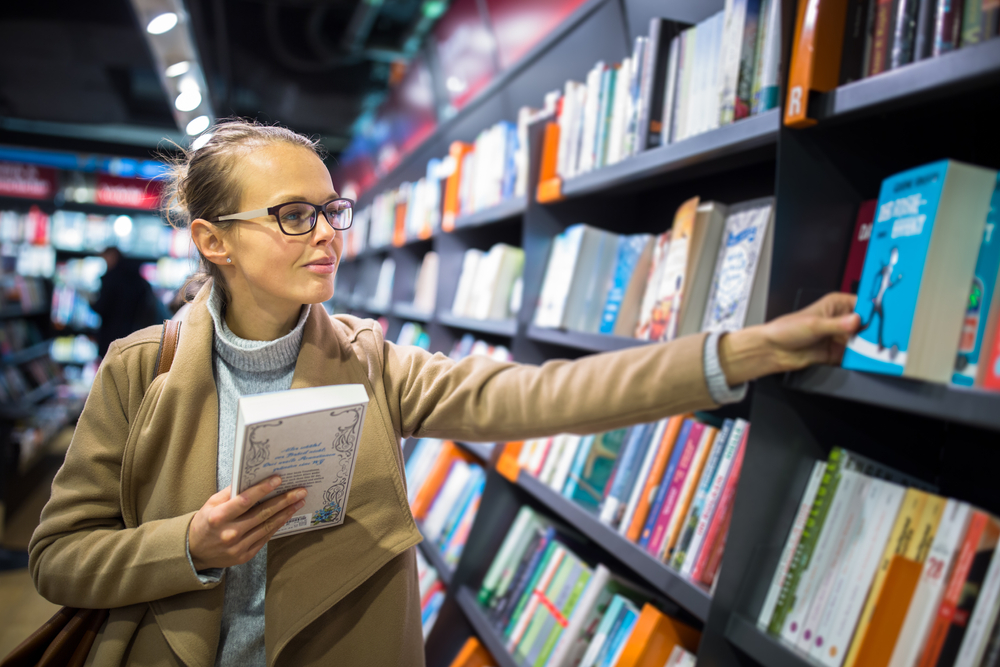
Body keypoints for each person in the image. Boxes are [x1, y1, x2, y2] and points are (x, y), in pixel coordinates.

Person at [28, 120, 859, 667]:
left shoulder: (373, 361)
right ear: (214, 240)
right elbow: (60, 557)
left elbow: (543, 397)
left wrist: (739, 352)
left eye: (331, 209)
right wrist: (190, 546)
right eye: (291, 214)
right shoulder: (139, 370)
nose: (326, 232)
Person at [92, 247, 163, 356]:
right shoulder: (136, 278)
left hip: (112, 334)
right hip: (134, 333)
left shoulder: (112, 279)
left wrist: (91, 302)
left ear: (112, 256)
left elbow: (102, 307)